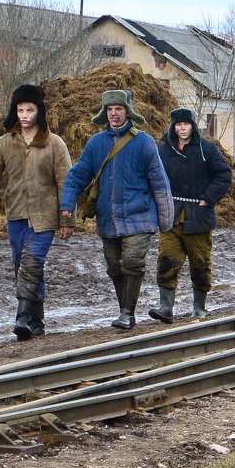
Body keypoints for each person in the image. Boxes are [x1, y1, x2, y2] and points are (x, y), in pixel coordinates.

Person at [0, 85, 73, 341]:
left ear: (39, 111)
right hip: (16, 215)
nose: (24, 115)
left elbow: (67, 182)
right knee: (22, 267)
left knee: (31, 264)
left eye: (30, 109)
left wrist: (67, 219)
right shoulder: (6, 143)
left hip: (44, 217)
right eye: (20, 109)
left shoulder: (55, 144)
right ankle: (37, 320)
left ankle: (21, 318)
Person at [60, 90, 174, 330]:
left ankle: (127, 313)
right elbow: (76, 177)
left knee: (132, 262)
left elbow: (160, 183)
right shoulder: (96, 143)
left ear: (127, 112)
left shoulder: (144, 142)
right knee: (114, 267)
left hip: (140, 216)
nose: (114, 114)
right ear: (105, 113)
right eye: (110, 110)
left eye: (118, 109)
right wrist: (67, 207)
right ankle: (125, 308)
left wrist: (166, 220)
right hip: (108, 218)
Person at [147, 107, 233, 323]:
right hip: (171, 216)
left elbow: (223, 175)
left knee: (200, 263)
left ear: (193, 126)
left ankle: (199, 309)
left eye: (186, 124)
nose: (182, 128)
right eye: (178, 125)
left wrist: (208, 198)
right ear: (173, 127)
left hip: (199, 216)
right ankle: (165, 308)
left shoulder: (207, 149)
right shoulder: (163, 150)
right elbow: (152, 176)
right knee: (167, 260)